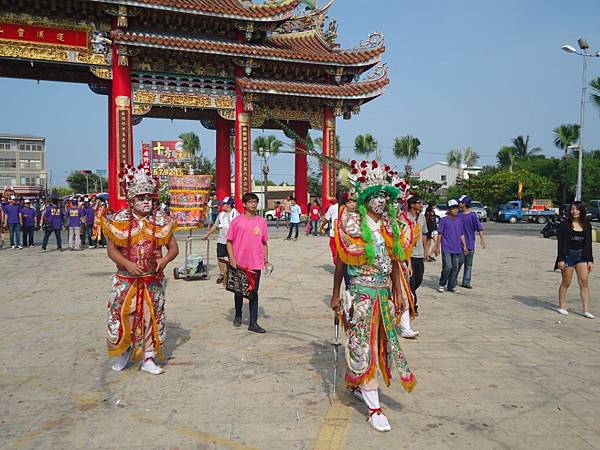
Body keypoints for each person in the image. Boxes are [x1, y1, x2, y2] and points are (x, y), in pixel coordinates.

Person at [332, 160, 416, 432]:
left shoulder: (391, 227)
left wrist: (399, 292)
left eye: (384, 196)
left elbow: (393, 262)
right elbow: (341, 264)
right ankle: (374, 408)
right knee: (362, 344)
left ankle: (359, 384)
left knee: (383, 345)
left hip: (384, 294)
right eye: (376, 196)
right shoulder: (352, 225)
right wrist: (336, 294)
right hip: (361, 294)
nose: (381, 201)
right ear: (365, 198)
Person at [102, 165, 179, 375]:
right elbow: (111, 250)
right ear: (131, 199)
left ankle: (148, 357)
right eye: (141, 198)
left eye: (149, 197)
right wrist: (127, 264)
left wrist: (163, 261)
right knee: (123, 316)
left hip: (151, 280)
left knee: (150, 318)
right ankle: (124, 349)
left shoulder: (160, 220)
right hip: (126, 280)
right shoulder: (118, 220)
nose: (146, 202)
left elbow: (174, 248)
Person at [226, 192, 269, 333]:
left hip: (256, 263)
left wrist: (266, 261)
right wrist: (232, 258)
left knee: (253, 292)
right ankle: (238, 315)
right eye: (250, 202)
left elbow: (264, 243)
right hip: (239, 262)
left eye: (255, 202)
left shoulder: (261, 222)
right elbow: (229, 242)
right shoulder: (237, 221)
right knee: (239, 290)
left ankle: (253, 322)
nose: (254, 204)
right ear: (244, 204)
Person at [556, 201, 594, 318]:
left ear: (581, 210)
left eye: (577, 209)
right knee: (566, 282)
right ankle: (562, 306)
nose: (574, 211)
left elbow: (589, 243)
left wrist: (590, 260)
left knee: (584, 282)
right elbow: (560, 243)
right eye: (572, 209)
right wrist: (561, 259)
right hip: (568, 256)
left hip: (582, 256)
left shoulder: (587, 225)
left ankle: (585, 310)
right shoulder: (564, 224)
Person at [203, 196, 238, 284]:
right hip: (221, 240)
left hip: (232, 241)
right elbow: (215, 226)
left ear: (229, 205)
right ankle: (222, 274)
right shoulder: (221, 214)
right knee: (220, 257)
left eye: (224, 204)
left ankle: (232, 275)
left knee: (232, 258)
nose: (221, 205)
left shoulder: (236, 214)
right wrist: (207, 234)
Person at [434, 199, 467, 293]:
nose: (455, 210)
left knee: (455, 267)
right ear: (449, 210)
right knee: (448, 266)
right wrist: (437, 247)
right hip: (446, 247)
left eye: (456, 208)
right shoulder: (444, 220)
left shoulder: (459, 220)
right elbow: (439, 234)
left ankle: (451, 286)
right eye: (453, 208)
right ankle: (442, 284)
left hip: (457, 247)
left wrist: (464, 246)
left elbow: (461, 234)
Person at [457, 195, 486, 288]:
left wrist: (482, 240)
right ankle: (453, 279)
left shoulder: (473, 216)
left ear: (464, 204)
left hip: (470, 244)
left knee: (468, 265)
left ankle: (466, 282)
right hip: (459, 245)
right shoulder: (458, 215)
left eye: (460, 202)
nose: (459, 204)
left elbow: (479, 228)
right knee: (458, 263)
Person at [407, 196, 427, 317]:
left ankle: (411, 296)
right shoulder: (404, 217)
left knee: (419, 279)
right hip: (408, 255)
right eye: (419, 203)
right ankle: (413, 304)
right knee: (411, 281)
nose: (421, 205)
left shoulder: (422, 218)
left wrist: (426, 250)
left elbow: (424, 234)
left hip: (419, 254)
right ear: (412, 204)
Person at [324, 199, 339, 264]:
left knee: (334, 248)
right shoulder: (346, 207)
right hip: (343, 233)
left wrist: (322, 226)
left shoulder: (332, 207)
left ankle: (336, 262)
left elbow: (326, 219)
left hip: (334, 233)